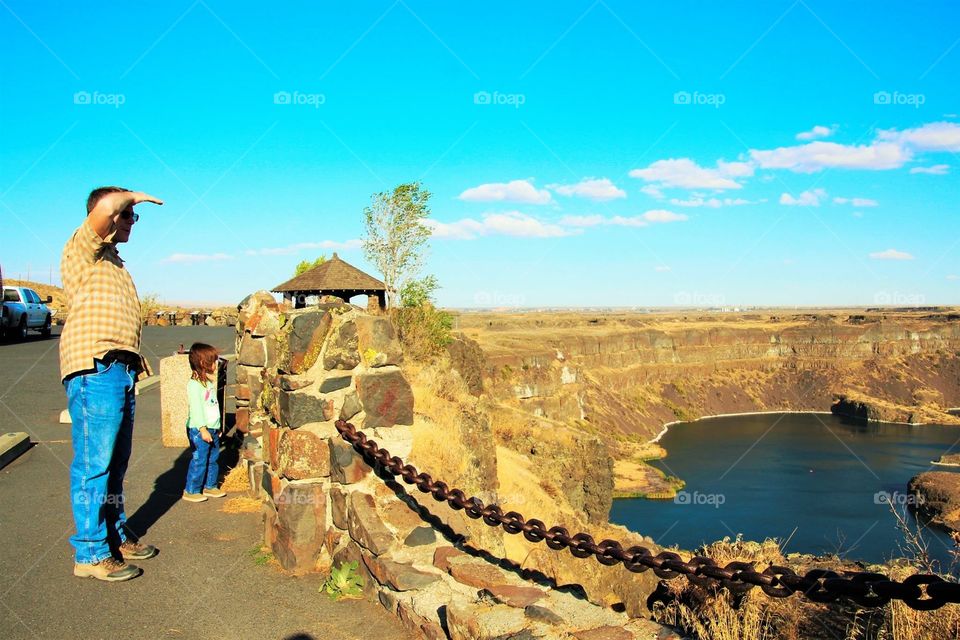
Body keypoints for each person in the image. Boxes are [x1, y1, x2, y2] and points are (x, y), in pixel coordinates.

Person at [61, 186, 163, 582]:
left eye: (132, 216)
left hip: (119, 369)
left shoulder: (114, 263)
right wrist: (132, 196)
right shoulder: (83, 249)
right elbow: (104, 207)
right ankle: (89, 555)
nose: (131, 222)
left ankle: (114, 536)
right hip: (94, 367)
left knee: (114, 465)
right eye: (127, 216)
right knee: (94, 464)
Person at [182, 342, 226, 503]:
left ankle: (210, 485)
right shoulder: (194, 385)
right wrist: (202, 429)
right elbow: (197, 409)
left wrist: (217, 426)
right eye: (212, 361)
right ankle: (191, 489)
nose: (215, 364)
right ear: (202, 363)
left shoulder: (207, 383)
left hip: (212, 428)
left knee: (213, 458)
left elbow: (213, 406)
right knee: (200, 459)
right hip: (200, 429)